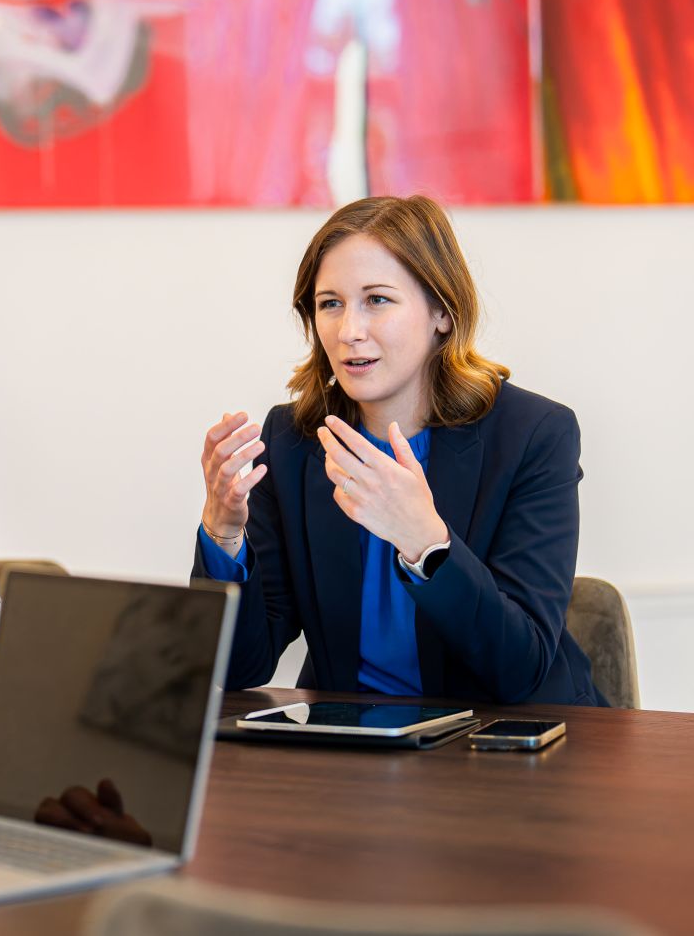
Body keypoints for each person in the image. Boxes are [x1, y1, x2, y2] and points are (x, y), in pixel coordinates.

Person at [193, 195, 602, 706]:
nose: (349, 332)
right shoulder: (292, 440)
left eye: (377, 300)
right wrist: (223, 532)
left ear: (442, 313)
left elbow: (519, 670)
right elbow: (239, 667)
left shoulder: (534, 435)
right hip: (354, 749)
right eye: (330, 303)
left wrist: (425, 543)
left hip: (505, 746)